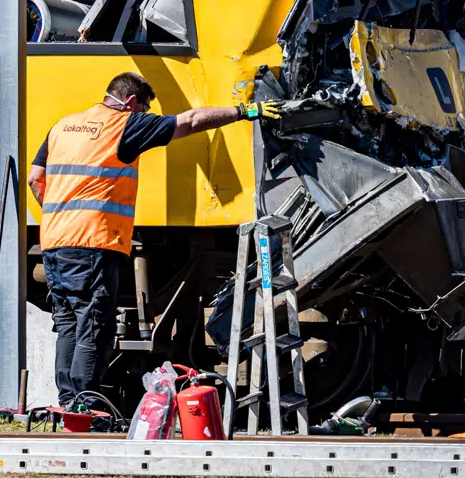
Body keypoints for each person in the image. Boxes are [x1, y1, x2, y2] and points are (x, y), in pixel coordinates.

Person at [28, 71, 282, 410]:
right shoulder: (123, 125)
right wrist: (245, 111)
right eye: (145, 109)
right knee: (93, 325)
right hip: (92, 241)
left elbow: (35, 178)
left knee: (69, 324)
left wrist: (60, 215)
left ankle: (67, 403)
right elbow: (189, 121)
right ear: (131, 102)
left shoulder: (63, 126)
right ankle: (84, 405)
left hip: (55, 241)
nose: (146, 116)